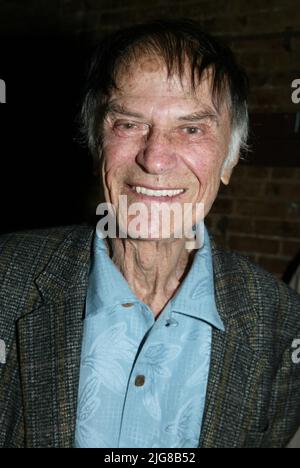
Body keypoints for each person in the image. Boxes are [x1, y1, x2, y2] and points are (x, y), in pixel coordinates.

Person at [0, 19, 300, 449]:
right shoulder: (6, 278)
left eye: (192, 128)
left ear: (230, 159)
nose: (155, 158)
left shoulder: (283, 324)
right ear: (96, 142)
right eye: (129, 123)